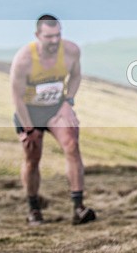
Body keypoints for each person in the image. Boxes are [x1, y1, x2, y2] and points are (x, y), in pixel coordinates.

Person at [10, 14, 96, 226]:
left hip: (56, 109)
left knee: (72, 145)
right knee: (33, 158)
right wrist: (29, 129)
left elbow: (75, 76)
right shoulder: (24, 60)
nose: (55, 40)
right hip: (29, 112)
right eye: (49, 37)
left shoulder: (71, 51)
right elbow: (17, 98)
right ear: (37, 35)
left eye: (58, 35)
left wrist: (68, 102)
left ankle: (79, 208)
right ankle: (34, 209)